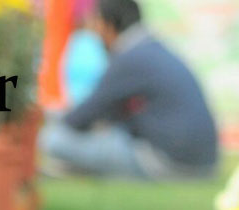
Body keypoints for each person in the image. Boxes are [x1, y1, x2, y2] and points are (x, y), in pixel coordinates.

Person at [40, 0, 219, 180]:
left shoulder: (129, 56)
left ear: (107, 24)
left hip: (168, 163)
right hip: (202, 163)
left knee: (54, 139)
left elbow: (79, 118)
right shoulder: (153, 48)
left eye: (96, 23)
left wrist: (49, 117)